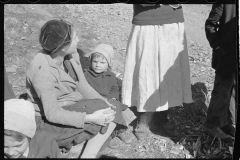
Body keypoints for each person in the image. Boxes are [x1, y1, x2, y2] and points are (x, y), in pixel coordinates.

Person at [26, 19, 122, 158]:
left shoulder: (71, 55)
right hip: (47, 121)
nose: (78, 39)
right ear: (63, 46)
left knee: (111, 106)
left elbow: (81, 85)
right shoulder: (43, 71)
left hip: (69, 103)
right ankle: (78, 148)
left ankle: (84, 150)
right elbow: (52, 113)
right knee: (101, 116)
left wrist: (103, 101)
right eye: (75, 37)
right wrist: (90, 118)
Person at [121, 4, 193, 141]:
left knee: (169, 70)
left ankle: (162, 115)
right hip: (147, 20)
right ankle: (144, 117)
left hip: (172, 19)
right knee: (147, 69)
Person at [84, 43, 136, 148]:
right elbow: (85, 91)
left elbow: (114, 89)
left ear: (109, 64)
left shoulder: (111, 76)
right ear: (91, 61)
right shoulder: (86, 75)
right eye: (95, 61)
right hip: (95, 102)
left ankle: (117, 131)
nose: (97, 65)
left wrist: (113, 97)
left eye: (102, 62)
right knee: (112, 113)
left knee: (119, 109)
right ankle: (109, 136)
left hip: (110, 101)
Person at [204, 4, 236, 140]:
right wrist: (218, 46)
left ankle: (226, 123)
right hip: (226, 55)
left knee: (233, 93)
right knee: (222, 91)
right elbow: (210, 25)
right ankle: (212, 125)